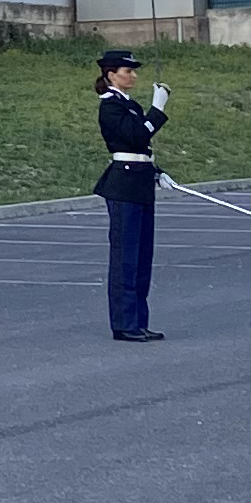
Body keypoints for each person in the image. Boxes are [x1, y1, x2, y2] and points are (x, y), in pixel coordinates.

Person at [94, 48, 168, 342]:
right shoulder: (110, 106)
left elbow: (141, 147)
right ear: (111, 75)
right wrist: (158, 110)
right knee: (125, 256)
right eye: (128, 72)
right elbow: (136, 136)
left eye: (133, 71)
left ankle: (138, 320)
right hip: (123, 185)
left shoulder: (130, 105)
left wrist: (157, 171)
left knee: (141, 256)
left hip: (140, 181)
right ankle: (124, 323)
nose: (133, 76)